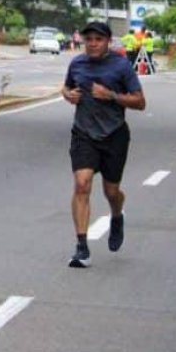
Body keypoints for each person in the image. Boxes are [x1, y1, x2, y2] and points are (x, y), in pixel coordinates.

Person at [61, 21, 145, 268]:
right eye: (89, 40)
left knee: (111, 192)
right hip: (84, 134)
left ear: (108, 41)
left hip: (114, 134)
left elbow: (141, 102)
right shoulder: (77, 63)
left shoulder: (120, 67)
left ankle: (117, 215)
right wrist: (67, 95)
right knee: (81, 184)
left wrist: (111, 96)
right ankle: (81, 247)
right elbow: (67, 87)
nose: (93, 44)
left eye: (98, 39)